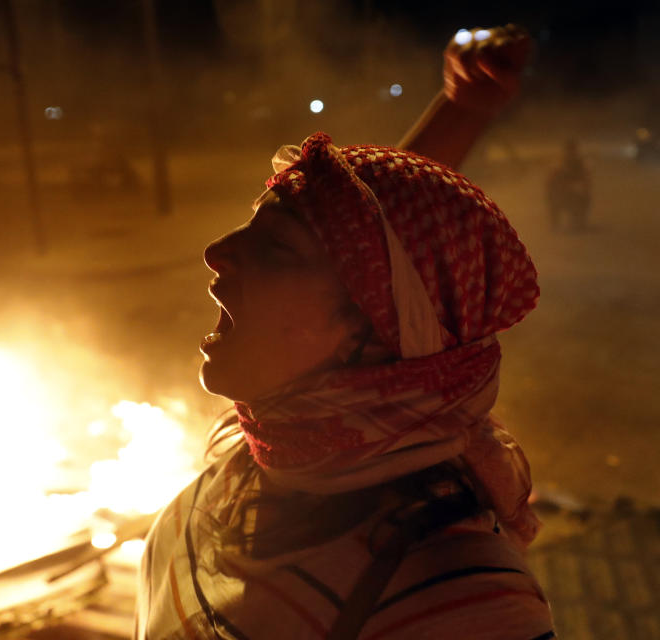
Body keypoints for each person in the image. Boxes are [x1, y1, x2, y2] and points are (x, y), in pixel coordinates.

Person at [135, 26, 555, 640]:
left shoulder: (465, 602)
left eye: (275, 249)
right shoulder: (263, 466)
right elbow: (382, 248)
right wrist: (461, 112)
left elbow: (387, 263)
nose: (217, 252)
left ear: (378, 342)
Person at [545, 139, 591, 231]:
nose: (571, 152)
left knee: (582, 198)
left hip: (574, 191)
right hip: (560, 192)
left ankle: (578, 221)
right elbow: (551, 180)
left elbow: (585, 178)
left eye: (572, 150)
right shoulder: (559, 163)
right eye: (569, 150)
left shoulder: (579, 162)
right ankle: (556, 223)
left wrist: (581, 187)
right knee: (554, 200)